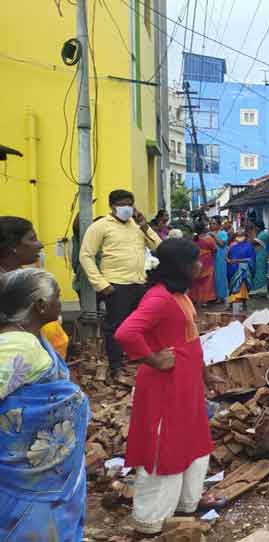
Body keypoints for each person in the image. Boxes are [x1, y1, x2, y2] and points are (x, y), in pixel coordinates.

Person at [114, 239, 213, 535]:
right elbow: (126, 332)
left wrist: (205, 375)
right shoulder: (158, 298)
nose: (200, 265)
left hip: (186, 383)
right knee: (164, 447)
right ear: (179, 266)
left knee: (190, 441)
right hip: (165, 385)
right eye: (194, 261)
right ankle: (151, 521)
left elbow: (190, 338)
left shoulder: (179, 294)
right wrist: (154, 359)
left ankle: (185, 505)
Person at [0, 269, 90, 541]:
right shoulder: (19, 345)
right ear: (40, 305)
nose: (61, 304)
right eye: (58, 298)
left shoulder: (31, 339)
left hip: (41, 476)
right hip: (28, 481)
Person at [79, 190, 161, 378]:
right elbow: (86, 255)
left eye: (130, 204)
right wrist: (100, 283)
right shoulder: (100, 226)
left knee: (141, 326)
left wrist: (145, 226)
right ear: (112, 206)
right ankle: (116, 366)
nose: (127, 208)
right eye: (123, 204)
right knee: (116, 327)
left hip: (139, 283)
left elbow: (158, 247)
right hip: (116, 285)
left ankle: (140, 361)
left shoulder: (137, 226)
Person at [0, 216, 70, 358]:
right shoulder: (5, 286)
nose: (40, 245)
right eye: (32, 239)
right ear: (13, 247)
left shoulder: (24, 277)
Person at [226, 229, 255, 309]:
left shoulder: (249, 246)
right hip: (232, 270)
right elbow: (227, 257)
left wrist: (237, 261)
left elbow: (250, 259)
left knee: (243, 287)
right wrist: (228, 259)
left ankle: (244, 304)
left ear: (245, 237)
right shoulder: (232, 246)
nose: (239, 238)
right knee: (232, 289)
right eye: (238, 236)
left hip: (243, 270)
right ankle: (231, 304)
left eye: (241, 236)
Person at [189, 221, 216, 306]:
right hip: (208, 263)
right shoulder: (209, 239)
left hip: (196, 262)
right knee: (207, 283)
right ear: (204, 228)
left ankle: (196, 299)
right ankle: (205, 301)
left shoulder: (193, 239)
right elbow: (215, 249)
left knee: (196, 282)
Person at [209, 217, 229, 302]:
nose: (211, 225)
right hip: (212, 258)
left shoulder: (223, 233)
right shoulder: (209, 234)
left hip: (220, 257)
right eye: (211, 224)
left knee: (220, 276)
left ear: (219, 225)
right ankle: (214, 296)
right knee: (213, 277)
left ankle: (221, 296)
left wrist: (214, 235)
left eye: (214, 223)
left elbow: (221, 244)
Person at [251, 221, 269, 293]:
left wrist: (252, 233)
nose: (254, 229)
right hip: (260, 254)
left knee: (260, 271)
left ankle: (260, 287)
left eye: (255, 227)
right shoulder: (262, 233)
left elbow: (253, 242)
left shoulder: (263, 234)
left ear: (258, 227)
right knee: (259, 270)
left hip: (261, 255)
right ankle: (259, 287)